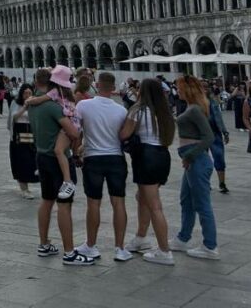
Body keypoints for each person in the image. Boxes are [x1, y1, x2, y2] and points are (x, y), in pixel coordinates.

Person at [29, 68, 93, 265]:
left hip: (41, 155)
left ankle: (44, 244)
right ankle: (69, 252)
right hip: (57, 159)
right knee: (64, 205)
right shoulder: (54, 108)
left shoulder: (34, 103)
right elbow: (73, 132)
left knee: (46, 200)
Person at [74, 72, 131, 261]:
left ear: (97, 85)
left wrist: (77, 151)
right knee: (119, 202)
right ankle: (120, 248)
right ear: (113, 87)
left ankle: (91, 245)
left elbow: (76, 131)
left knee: (93, 203)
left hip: (93, 159)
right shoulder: (121, 110)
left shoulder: (84, 105)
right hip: (115, 158)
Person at [120, 77, 176, 265]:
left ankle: (164, 251)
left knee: (155, 206)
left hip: (146, 157)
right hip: (162, 155)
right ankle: (141, 238)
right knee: (142, 197)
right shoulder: (164, 111)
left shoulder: (139, 110)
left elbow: (124, 134)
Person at [170, 75, 218, 259]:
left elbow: (209, 137)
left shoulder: (195, 110)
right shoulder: (192, 108)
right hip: (193, 160)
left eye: (180, 88)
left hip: (196, 159)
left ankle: (210, 245)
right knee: (186, 200)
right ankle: (183, 238)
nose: (177, 90)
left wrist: (189, 155)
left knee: (202, 204)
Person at [26, 65, 80, 199]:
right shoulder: (65, 92)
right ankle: (67, 180)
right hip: (72, 123)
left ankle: (68, 182)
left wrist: (29, 101)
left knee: (58, 150)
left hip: (71, 124)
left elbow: (40, 99)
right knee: (59, 150)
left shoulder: (54, 93)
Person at [8, 83, 38, 199]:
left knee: (32, 161)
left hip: (31, 134)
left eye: (30, 93)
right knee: (21, 161)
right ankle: (24, 188)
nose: (28, 95)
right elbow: (13, 118)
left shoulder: (35, 103)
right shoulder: (15, 103)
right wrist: (24, 108)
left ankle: (29, 182)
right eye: (25, 93)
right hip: (19, 135)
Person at [205, 82, 230, 193]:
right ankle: (206, 182)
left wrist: (224, 132)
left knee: (219, 157)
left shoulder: (213, 102)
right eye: (202, 87)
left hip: (214, 133)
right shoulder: (194, 102)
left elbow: (218, 117)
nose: (205, 89)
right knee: (203, 160)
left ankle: (222, 183)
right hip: (201, 135)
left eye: (206, 87)